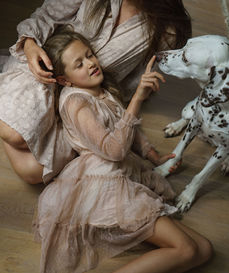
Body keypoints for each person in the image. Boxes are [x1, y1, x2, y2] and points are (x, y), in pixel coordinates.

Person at [33, 28, 212, 273]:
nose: (90, 63)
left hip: (125, 172)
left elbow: (129, 130)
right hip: (105, 181)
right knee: (188, 250)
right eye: (79, 64)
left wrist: (152, 155)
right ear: (65, 80)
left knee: (204, 249)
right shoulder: (76, 101)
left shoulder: (101, 91)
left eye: (89, 55)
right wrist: (137, 98)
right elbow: (114, 150)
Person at [0, 0, 192, 184]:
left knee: (33, 171)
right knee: (15, 135)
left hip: (85, 97)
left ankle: (9, 99)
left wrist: (110, 110)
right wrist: (30, 44)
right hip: (44, 70)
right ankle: (15, 98)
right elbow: (47, 15)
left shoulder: (167, 31)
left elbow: (133, 82)